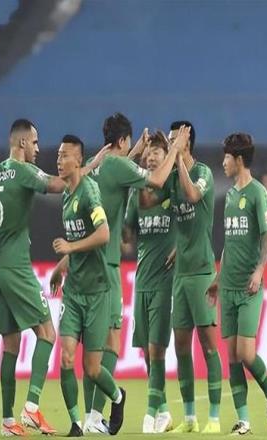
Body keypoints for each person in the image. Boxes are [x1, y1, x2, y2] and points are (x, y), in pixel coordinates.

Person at [0, 119, 107, 436]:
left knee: (10, 344)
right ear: (22, 143)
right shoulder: (24, 170)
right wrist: (90, 165)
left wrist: (4, 234)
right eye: (34, 142)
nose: (37, 148)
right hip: (16, 266)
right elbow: (60, 184)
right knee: (47, 332)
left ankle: (8, 421)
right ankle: (31, 407)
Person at [83, 113, 181, 434]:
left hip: (88, 264)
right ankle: (100, 411)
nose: (148, 155)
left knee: (96, 345)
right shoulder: (126, 174)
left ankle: (96, 415)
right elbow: (152, 181)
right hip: (111, 267)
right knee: (113, 341)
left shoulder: (94, 164)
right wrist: (175, 149)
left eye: (156, 151)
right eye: (143, 149)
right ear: (124, 140)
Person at [140, 122, 222, 434]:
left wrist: (175, 159)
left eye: (176, 139)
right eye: (171, 140)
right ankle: (189, 419)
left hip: (202, 271)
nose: (172, 144)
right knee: (182, 347)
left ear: (187, 142)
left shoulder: (202, 173)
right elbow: (146, 198)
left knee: (209, 346)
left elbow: (192, 195)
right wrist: (143, 160)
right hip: (180, 274)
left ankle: (213, 417)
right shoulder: (171, 178)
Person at [50, 135, 125, 437]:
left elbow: (104, 234)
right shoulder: (67, 195)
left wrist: (69, 247)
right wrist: (61, 266)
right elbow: (78, 241)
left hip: (97, 293)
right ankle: (75, 424)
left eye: (65, 155)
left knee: (92, 368)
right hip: (74, 292)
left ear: (78, 160)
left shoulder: (90, 191)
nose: (59, 160)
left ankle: (117, 397)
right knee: (66, 358)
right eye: (58, 155)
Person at [219, 133, 267, 435]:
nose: (223, 162)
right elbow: (229, 243)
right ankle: (243, 420)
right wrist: (218, 278)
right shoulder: (230, 195)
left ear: (239, 159)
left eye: (227, 157)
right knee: (232, 357)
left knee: (246, 353)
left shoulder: (257, 193)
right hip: (227, 286)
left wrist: (259, 270)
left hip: (249, 287)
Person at [123, 131, 176, 433]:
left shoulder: (173, 186)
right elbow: (127, 236)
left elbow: (192, 221)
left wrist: (181, 246)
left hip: (166, 280)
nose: (151, 156)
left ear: (166, 155)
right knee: (146, 349)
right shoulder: (137, 192)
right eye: (149, 152)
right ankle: (164, 411)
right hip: (142, 279)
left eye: (157, 151)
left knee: (157, 349)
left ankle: (150, 414)